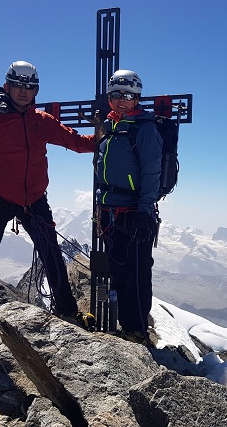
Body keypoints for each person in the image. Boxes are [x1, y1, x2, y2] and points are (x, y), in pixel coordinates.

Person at [0, 60, 96, 346]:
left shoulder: (41, 120)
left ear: (36, 90)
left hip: (34, 200)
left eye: (30, 87)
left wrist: (105, 134)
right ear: (7, 87)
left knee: (52, 256)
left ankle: (68, 312)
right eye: (19, 86)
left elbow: (75, 142)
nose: (24, 92)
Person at [95, 70, 161, 345]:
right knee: (119, 272)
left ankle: (137, 332)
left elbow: (152, 173)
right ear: (109, 98)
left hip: (135, 214)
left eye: (128, 96)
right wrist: (101, 210)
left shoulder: (144, 129)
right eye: (116, 95)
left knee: (136, 275)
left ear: (137, 98)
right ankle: (128, 329)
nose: (121, 100)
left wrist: (145, 211)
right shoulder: (110, 129)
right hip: (111, 213)